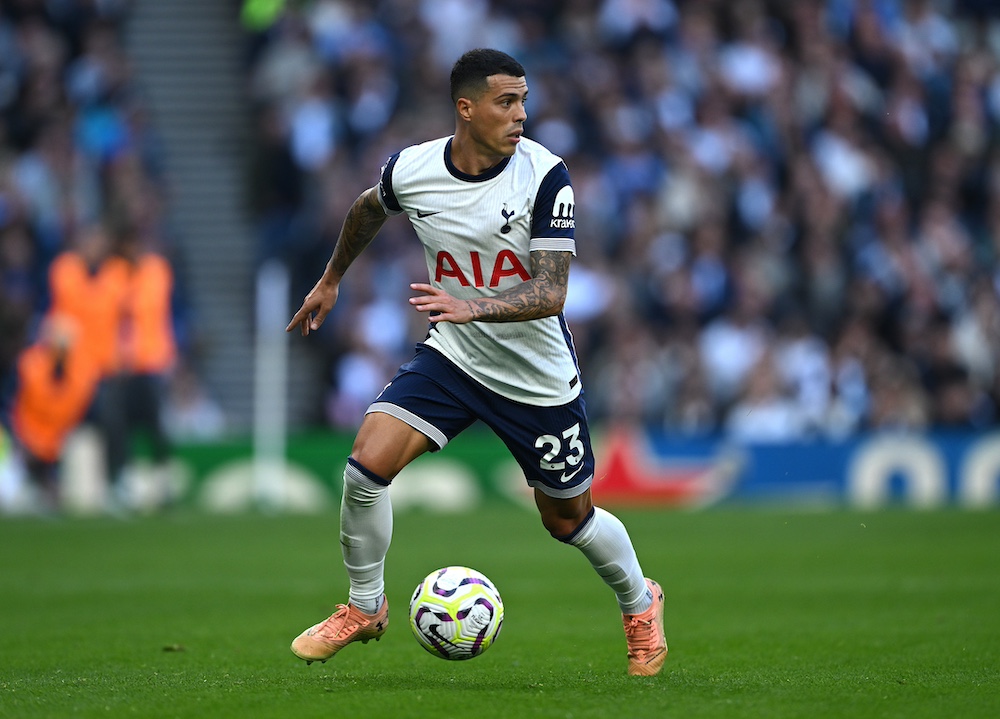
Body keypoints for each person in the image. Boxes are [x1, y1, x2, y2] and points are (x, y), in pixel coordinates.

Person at [286, 48, 666, 677]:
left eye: (523, 101)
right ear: (466, 108)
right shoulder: (413, 168)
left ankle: (639, 601)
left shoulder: (546, 176)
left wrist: (473, 306)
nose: (521, 115)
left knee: (567, 519)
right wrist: (330, 281)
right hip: (456, 359)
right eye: (506, 102)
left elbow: (551, 292)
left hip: (536, 377)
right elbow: (365, 209)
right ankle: (364, 607)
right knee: (364, 467)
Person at [10, 314, 101, 512]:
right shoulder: (30, 365)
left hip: (61, 442)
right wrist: (23, 440)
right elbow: (15, 407)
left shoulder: (84, 371)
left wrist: (61, 442)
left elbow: (82, 414)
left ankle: (54, 485)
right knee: (11, 493)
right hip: (27, 440)